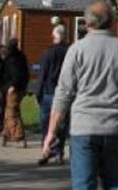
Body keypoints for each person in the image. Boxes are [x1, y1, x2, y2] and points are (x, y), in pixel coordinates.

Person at [43, 1, 118, 190]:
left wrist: (51, 132)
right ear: (114, 22)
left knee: (84, 185)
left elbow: (64, 94)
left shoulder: (77, 50)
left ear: (87, 23)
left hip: (84, 128)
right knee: (115, 184)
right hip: (116, 128)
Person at [36, 24, 70, 165]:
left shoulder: (48, 53)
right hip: (65, 92)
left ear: (54, 36)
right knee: (61, 124)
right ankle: (59, 152)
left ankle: (47, 149)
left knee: (46, 123)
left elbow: (43, 74)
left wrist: (39, 92)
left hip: (49, 92)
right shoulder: (70, 51)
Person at [0, 38, 30, 146]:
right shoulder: (20, 56)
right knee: (8, 111)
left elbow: (16, 74)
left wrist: (13, 85)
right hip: (18, 87)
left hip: (14, 88)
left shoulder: (13, 58)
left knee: (12, 111)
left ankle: (18, 135)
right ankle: (6, 134)